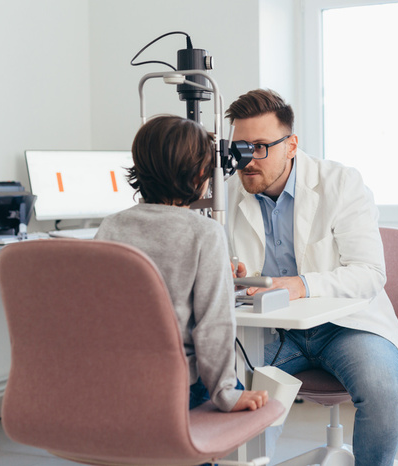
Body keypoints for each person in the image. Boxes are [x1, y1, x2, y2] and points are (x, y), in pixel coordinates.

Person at [225, 89, 398, 465]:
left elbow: (369, 273)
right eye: (239, 148)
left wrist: (302, 285)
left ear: (291, 145)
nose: (247, 160)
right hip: (272, 331)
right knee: (228, 387)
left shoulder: (340, 184)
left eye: (259, 147)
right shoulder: (229, 192)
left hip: (345, 327)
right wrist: (233, 272)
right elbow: (228, 267)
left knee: (382, 387)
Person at [95, 115, 268, 413]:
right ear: (203, 173)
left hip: (116, 380)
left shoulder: (110, 227)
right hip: (177, 386)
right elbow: (214, 325)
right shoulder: (205, 232)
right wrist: (225, 391)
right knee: (247, 396)